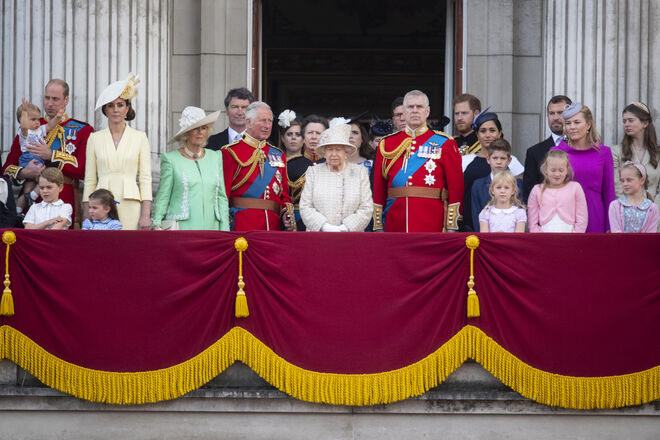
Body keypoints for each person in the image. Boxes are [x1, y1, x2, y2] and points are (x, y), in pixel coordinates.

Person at [1, 79, 93, 225]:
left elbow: (84, 170)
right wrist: (24, 172)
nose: (50, 104)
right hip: (31, 203)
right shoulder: (30, 127)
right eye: (47, 98)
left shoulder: (82, 130)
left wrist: (51, 155)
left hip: (63, 199)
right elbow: (6, 169)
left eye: (55, 99)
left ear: (66, 100)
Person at [372, 90, 464, 232]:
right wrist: (378, 225)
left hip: (431, 221)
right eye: (410, 107)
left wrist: (451, 225)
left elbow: (456, 187)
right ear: (403, 111)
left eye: (419, 107)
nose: (415, 111)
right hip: (395, 222)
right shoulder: (387, 144)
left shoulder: (445, 143)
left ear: (427, 111)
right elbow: (379, 188)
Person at [83, 73, 152, 230]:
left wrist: (145, 214)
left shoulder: (140, 137)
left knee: (129, 249)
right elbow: (89, 179)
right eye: (111, 105)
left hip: (131, 204)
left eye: (120, 105)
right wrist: (87, 212)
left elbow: (146, 179)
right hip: (100, 205)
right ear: (105, 110)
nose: (115, 110)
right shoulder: (94, 138)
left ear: (127, 108)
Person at [152, 106, 229, 231]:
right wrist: (156, 223)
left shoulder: (215, 157)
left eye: (203, 128)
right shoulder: (171, 159)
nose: (200, 132)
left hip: (212, 227)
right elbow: (163, 195)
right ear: (186, 132)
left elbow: (221, 196)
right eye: (195, 128)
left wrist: (225, 228)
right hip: (182, 228)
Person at [222, 101, 294, 231]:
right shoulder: (230, 152)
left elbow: (284, 195)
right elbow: (223, 194)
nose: (267, 126)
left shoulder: (278, 155)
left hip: (273, 227)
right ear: (248, 122)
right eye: (262, 121)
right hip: (242, 224)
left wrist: (285, 213)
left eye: (270, 121)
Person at [551, 103, 615, 232]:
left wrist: (610, 225)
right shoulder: (556, 151)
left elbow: (609, 191)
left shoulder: (604, 152)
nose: (572, 127)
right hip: (564, 214)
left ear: (588, 124)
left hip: (595, 213)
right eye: (568, 123)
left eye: (577, 122)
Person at [300, 123, 373, 231]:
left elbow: (366, 207)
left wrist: (346, 228)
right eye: (329, 149)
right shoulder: (313, 172)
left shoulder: (360, 172)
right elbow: (305, 206)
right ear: (324, 153)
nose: (334, 154)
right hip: (319, 236)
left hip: (351, 237)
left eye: (338, 149)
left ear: (346, 152)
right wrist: (325, 227)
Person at [461, 110, 524, 231]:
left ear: (500, 133)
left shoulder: (514, 164)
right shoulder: (467, 163)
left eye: (492, 130)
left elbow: (520, 204)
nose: (488, 135)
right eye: (483, 131)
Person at [611, 102, 660, 226]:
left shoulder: (658, 154)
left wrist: (652, 211)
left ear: (645, 123)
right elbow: (617, 186)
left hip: (654, 217)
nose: (626, 124)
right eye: (624, 121)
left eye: (631, 120)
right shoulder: (616, 151)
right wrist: (628, 211)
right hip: (625, 217)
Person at [14, 99, 63, 213]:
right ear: (23, 120)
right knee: (45, 179)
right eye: (33, 119)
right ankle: (33, 196)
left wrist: (58, 117)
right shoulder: (24, 132)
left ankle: (19, 210)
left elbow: (50, 125)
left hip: (38, 160)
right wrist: (25, 112)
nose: (37, 122)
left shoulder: (40, 130)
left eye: (38, 119)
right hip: (29, 159)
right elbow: (25, 126)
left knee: (28, 187)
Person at [523, 95, 572, 202]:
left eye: (560, 113)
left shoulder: (583, 148)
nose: (555, 117)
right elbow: (529, 194)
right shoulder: (534, 153)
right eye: (551, 113)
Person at [527, 150, 588, 232]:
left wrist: (576, 236)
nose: (557, 174)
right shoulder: (537, 190)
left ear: (567, 170)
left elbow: (582, 217)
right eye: (553, 170)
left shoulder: (575, 188)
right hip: (543, 237)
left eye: (561, 170)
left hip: (570, 236)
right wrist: (539, 237)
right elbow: (532, 221)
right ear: (546, 169)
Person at [470, 139, 524, 231]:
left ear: (509, 161)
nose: (499, 162)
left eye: (503, 158)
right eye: (495, 158)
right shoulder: (478, 185)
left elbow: (520, 209)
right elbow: (475, 214)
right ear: (488, 159)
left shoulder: (517, 184)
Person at [278, 109, 310, 231]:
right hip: (277, 215)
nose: (294, 138)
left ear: (303, 139)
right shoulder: (272, 162)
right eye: (289, 134)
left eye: (298, 135)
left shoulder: (311, 165)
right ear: (282, 138)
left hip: (302, 217)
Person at [608, 162, 659, 233]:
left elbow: (651, 235)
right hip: (621, 244)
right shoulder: (615, 206)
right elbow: (616, 233)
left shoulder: (652, 208)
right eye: (622, 181)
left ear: (642, 180)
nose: (625, 184)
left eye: (629, 180)